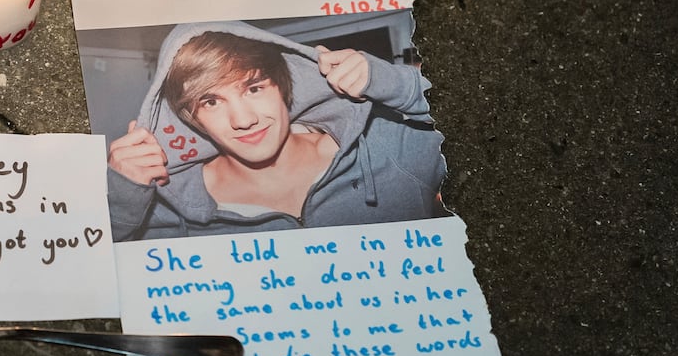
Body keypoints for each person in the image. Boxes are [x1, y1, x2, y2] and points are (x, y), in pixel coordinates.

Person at [105, 21, 447, 240]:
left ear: (283, 86)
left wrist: (400, 85)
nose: (243, 120)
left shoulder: (387, 148)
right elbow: (86, 287)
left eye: (254, 88)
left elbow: (491, 127)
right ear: (193, 118)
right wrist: (122, 199)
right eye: (211, 102)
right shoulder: (168, 208)